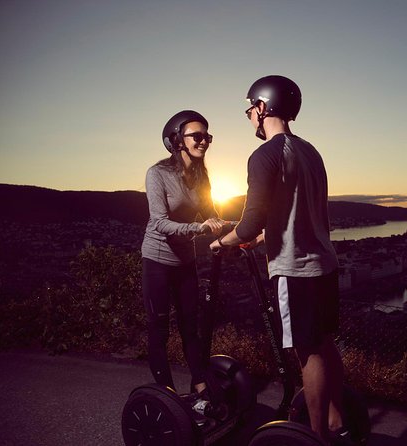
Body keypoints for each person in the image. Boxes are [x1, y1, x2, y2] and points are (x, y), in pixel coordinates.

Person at [210, 76, 350, 445]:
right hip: (324, 263)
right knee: (324, 343)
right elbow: (296, 213)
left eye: (249, 109)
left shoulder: (264, 155)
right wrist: (261, 239)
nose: (249, 117)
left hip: (295, 269)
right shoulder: (310, 151)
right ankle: (338, 421)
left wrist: (222, 242)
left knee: (308, 354)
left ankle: (316, 437)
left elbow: (251, 220)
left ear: (262, 107)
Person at [141, 110, 225, 408]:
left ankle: (200, 386)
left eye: (207, 136)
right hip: (158, 261)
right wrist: (199, 228)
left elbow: (210, 214)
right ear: (177, 141)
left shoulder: (202, 177)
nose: (204, 141)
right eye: (196, 136)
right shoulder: (158, 174)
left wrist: (231, 228)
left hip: (185, 263)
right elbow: (159, 223)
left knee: (192, 326)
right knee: (159, 328)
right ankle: (167, 394)